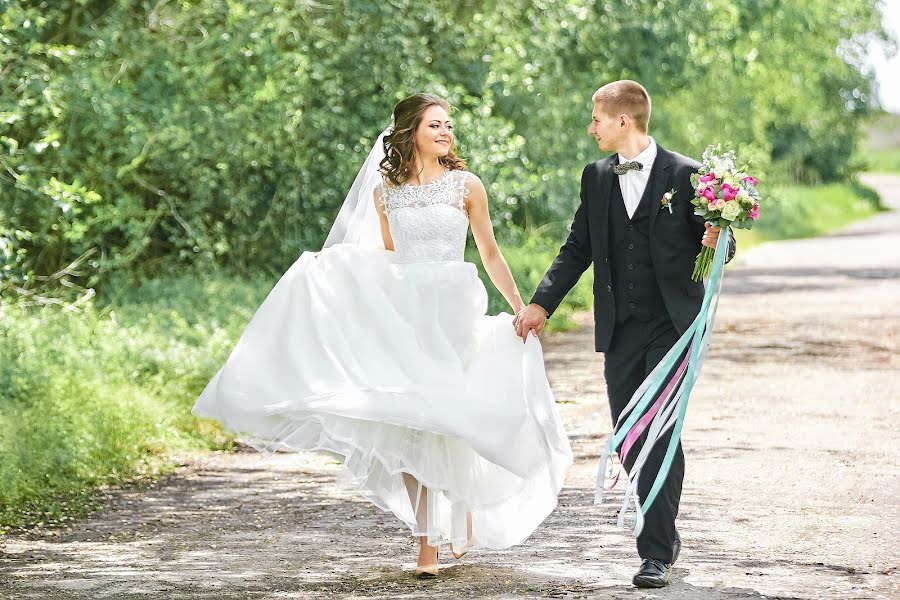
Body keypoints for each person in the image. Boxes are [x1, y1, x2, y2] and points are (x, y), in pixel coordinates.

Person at [194, 93, 572, 578]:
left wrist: (521, 308)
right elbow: (390, 255)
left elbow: (490, 252)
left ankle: (462, 509)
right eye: (435, 125)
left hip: (454, 308)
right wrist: (335, 275)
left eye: (449, 126)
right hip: (407, 314)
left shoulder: (466, 185)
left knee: (451, 416)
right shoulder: (385, 191)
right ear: (410, 130)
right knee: (414, 420)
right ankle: (426, 544)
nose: (445, 132)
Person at [514, 80, 735, 589]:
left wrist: (717, 239)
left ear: (624, 121)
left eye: (596, 118)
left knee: (658, 431)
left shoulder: (687, 175)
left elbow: (722, 248)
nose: (590, 128)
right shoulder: (594, 177)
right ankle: (664, 532)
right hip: (620, 328)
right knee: (631, 436)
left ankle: (654, 551)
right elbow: (577, 247)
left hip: (674, 328)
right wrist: (541, 303)